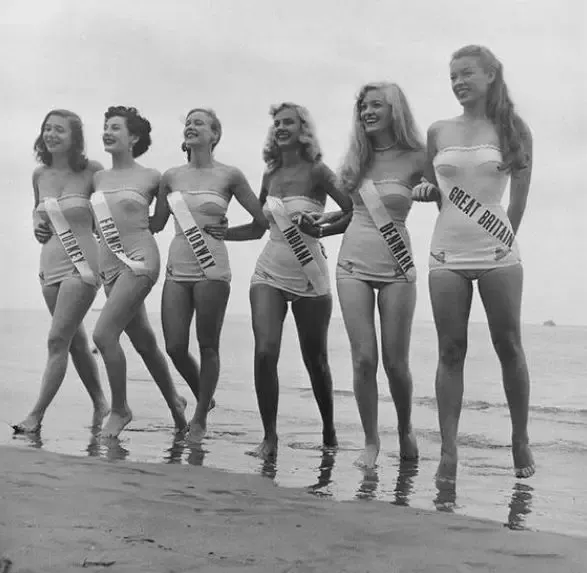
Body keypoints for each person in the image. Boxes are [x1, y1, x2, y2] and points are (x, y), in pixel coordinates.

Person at [412, 45, 535, 480]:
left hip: (498, 253)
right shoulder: (438, 131)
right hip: (446, 251)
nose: (458, 82)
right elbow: (434, 188)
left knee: (509, 345)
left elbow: (518, 198)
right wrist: (426, 191)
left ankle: (519, 439)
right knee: (450, 350)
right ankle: (448, 451)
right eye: (453, 77)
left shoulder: (513, 129)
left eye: (466, 74)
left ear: (490, 75)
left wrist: (504, 241)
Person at [222, 102, 352, 460]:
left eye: (288, 122)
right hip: (269, 270)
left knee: (316, 361)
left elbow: (352, 211)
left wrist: (321, 228)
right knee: (265, 351)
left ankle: (329, 431)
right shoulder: (270, 175)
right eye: (277, 123)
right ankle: (269, 438)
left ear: (303, 130)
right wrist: (221, 233)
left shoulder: (318, 171)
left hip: (310, 272)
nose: (280, 128)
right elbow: (259, 227)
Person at [306, 83, 425, 469]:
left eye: (376, 105)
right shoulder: (356, 159)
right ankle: (371, 442)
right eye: (363, 106)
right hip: (352, 265)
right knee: (363, 360)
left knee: (395, 363)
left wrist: (431, 189)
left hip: (396, 268)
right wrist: (322, 224)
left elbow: (447, 193)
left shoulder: (418, 156)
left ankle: (405, 428)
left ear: (395, 111)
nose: (368, 112)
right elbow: (351, 214)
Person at [150, 107, 267, 443]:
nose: (191, 126)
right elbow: (156, 223)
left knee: (207, 345)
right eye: (188, 122)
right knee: (174, 346)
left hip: (211, 269)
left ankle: (200, 417)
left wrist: (228, 233)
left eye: (198, 123)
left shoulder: (230, 175)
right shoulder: (170, 177)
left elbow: (261, 224)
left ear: (214, 134)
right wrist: (113, 219)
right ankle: (206, 396)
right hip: (177, 267)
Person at [91, 105, 187, 439]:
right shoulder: (98, 178)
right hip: (108, 266)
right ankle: (176, 403)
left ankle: (120, 409)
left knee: (103, 335)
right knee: (144, 341)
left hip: (140, 259)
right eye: (106, 126)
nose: (107, 132)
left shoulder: (151, 177)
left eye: (115, 127)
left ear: (133, 137)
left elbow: (158, 222)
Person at [13, 110, 109, 434]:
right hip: (49, 265)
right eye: (47, 128)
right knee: (75, 340)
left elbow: (110, 212)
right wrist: (37, 226)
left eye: (60, 130)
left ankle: (35, 416)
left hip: (82, 265)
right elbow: (36, 211)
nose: (51, 134)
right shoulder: (39, 175)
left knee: (57, 340)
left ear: (75, 138)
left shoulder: (92, 171)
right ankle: (101, 403)